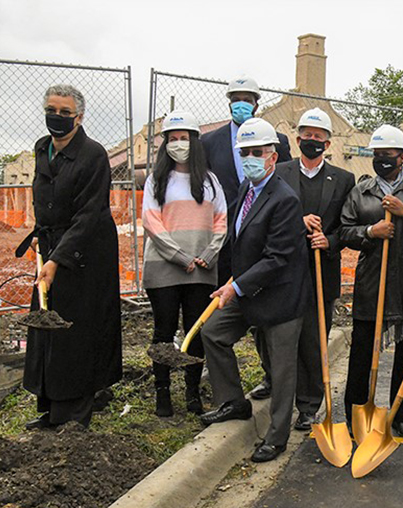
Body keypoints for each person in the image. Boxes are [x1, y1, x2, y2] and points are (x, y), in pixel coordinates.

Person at [198, 118, 311, 463]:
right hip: (247, 290)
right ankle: (233, 401)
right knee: (214, 333)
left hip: (279, 298)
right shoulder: (247, 190)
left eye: (256, 152)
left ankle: (276, 438)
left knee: (281, 370)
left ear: (272, 156)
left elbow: (277, 259)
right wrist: (230, 279)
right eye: (244, 152)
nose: (250, 158)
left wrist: (236, 285)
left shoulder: (284, 199)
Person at [16, 84, 121, 429]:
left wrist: (58, 259)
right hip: (52, 246)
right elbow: (42, 196)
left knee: (77, 329)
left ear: (79, 116)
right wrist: (38, 234)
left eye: (64, 112)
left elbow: (90, 214)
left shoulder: (93, 154)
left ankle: (74, 415)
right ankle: (48, 406)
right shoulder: (42, 148)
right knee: (47, 324)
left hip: (86, 251)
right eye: (51, 110)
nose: (56, 117)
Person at [341, 125, 403, 439]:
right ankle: (355, 412)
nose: (382, 159)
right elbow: (344, 231)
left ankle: (400, 416)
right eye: (377, 154)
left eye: (388, 154)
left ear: (402, 157)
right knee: (363, 352)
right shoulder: (361, 191)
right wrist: (370, 232)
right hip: (372, 282)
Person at [271, 108, 355, 431]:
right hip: (284, 272)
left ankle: (308, 406)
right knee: (280, 342)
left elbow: (347, 227)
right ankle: (280, 395)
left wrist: (329, 241)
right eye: (307, 135)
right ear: (297, 139)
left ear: (329, 143)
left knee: (313, 341)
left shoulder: (343, 179)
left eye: (319, 137)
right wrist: (297, 223)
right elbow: (270, 218)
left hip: (322, 272)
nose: (312, 141)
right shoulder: (279, 173)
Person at [142, 110, 227, 417]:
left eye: (184, 138)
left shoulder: (210, 181)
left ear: (195, 142)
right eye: (173, 139)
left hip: (201, 271)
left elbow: (221, 222)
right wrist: (179, 256)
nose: (179, 144)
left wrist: (208, 255)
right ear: (165, 144)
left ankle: (192, 392)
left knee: (196, 331)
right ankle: (162, 395)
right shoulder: (156, 180)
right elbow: (151, 222)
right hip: (164, 269)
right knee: (164, 332)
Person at [201, 75, 291, 288]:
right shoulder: (210, 141)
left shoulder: (277, 141)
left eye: (247, 99)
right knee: (225, 287)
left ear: (256, 104)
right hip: (225, 231)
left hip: (266, 228)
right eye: (236, 99)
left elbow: (285, 179)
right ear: (229, 104)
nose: (241, 104)